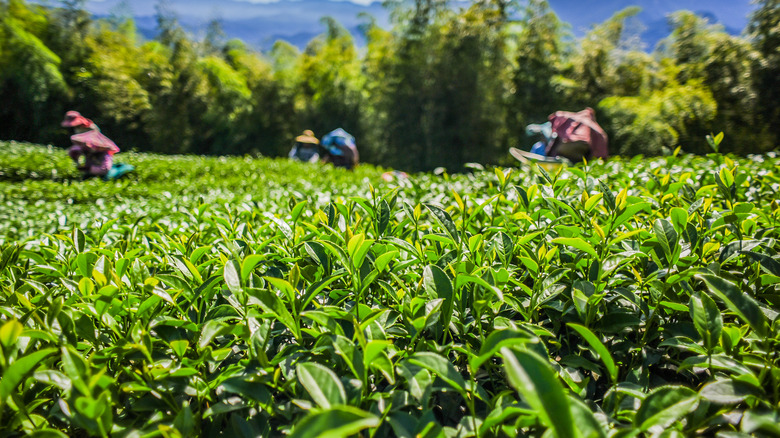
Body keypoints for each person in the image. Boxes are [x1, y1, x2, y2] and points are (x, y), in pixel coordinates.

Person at [61, 111, 119, 178]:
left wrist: (91, 147)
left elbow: (96, 138)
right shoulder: (77, 132)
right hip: (89, 151)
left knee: (103, 169)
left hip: (99, 149)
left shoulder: (90, 127)